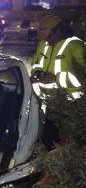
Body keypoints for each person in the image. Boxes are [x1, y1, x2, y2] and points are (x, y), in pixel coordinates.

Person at [30, 15, 86, 149]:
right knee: (49, 139)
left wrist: (56, 78)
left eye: (48, 36)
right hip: (52, 103)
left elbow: (83, 76)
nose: (46, 39)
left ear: (58, 31)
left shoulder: (76, 46)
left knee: (71, 143)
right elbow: (36, 63)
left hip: (74, 104)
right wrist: (37, 73)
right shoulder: (44, 43)